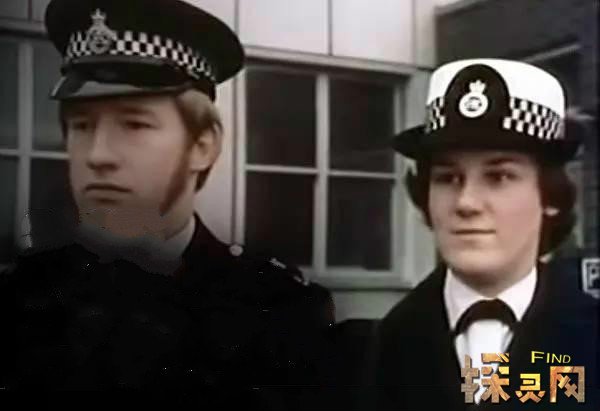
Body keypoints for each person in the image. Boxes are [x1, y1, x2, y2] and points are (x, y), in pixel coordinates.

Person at [0, 0, 334, 408]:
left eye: (134, 124)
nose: (98, 155)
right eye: (82, 126)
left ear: (203, 146)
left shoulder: (276, 310)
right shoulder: (17, 299)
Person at [373, 59, 598, 410]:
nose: (466, 203)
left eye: (498, 177)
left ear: (550, 196)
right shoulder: (370, 350)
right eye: (448, 178)